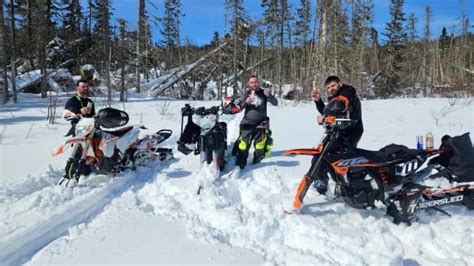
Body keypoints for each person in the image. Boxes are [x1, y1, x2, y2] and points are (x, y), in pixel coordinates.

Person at [309, 75, 363, 194]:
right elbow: (328, 111)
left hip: (351, 132)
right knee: (321, 154)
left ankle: (346, 185)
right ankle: (322, 182)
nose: (331, 89)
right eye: (328, 88)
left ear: (339, 83)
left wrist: (324, 119)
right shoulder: (335, 98)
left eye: (333, 85)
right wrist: (318, 101)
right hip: (337, 132)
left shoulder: (348, 92)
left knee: (341, 159)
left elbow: (339, 106)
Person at [233, 75, 278, 169]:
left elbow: (275, 103)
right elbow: (239, 108)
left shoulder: (263, 92)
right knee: (243, 144)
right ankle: (241, 161)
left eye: (256, 82)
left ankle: (257, 162)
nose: (254, 84)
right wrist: (246, 102)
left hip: (261, 123)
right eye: (252, 82)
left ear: (259, 82)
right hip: (247, 123)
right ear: (249, 84)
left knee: (259, 145)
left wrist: (268, 96)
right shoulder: (247, 93)